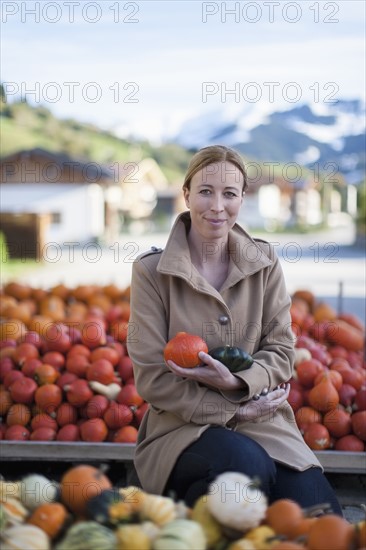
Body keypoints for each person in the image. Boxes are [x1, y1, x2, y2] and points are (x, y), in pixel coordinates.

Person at [127, 145, 342, 514]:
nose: (216, 206)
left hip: (263, 420)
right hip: (181, 428)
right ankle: (188, 521)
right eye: (205, 191)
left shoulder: (265, 262)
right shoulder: (151, 271)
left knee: (321, 515)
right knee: (246, 470)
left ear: (243, 197)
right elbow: (151, 377)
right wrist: (230, 411)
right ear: (186, 194)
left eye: (229, 194)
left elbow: (281, 351)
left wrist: (238, 384)